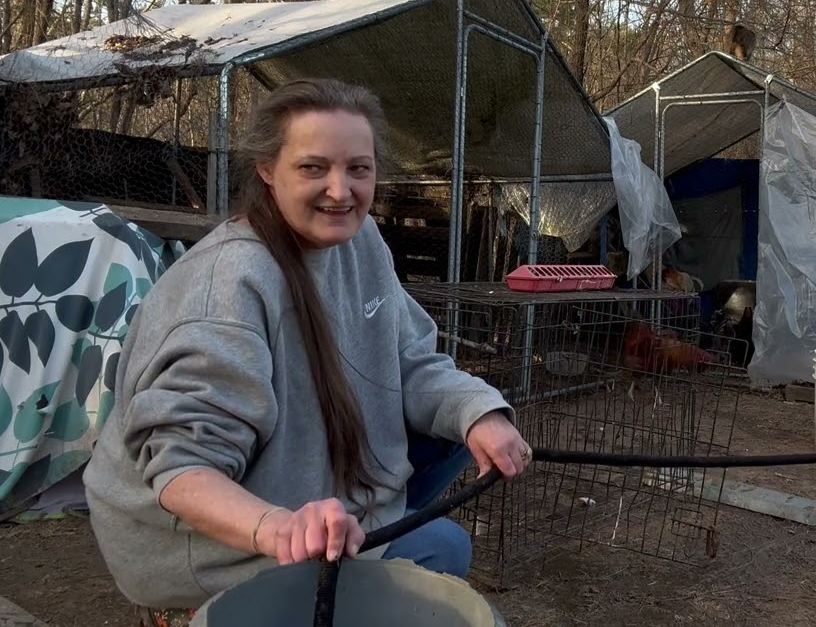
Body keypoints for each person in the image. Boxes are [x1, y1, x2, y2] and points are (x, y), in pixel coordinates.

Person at [82, 78, 531, 625]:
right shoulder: (230, 283)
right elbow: (183, 470)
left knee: (462, 449)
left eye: (358, 169)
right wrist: (279, 527)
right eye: (313, 168)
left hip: (314, 488)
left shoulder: (360, 241)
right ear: (267, 169)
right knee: (440, 548)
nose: (341, 191)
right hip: (214, 535)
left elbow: (410, 359)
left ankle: (358, 543)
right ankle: (193, 609)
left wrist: (479, 411)